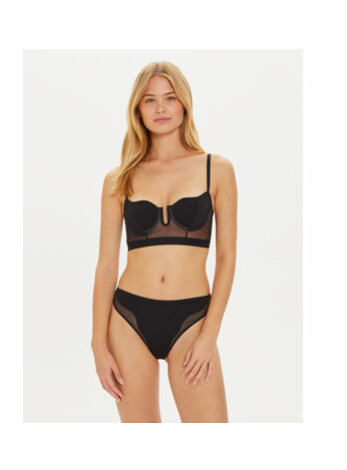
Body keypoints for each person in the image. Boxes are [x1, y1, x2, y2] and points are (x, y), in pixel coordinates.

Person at [91, 61, 237, 423]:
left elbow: (227, 258)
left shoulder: (216, 169)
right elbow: (106, 265)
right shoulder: (119, 179)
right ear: (137, 110)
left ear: (184, 103)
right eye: (150, 100)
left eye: (170, 98)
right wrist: (98, 344)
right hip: (127, 320)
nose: (160, 107)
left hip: (192, 319)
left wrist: (209, 334)